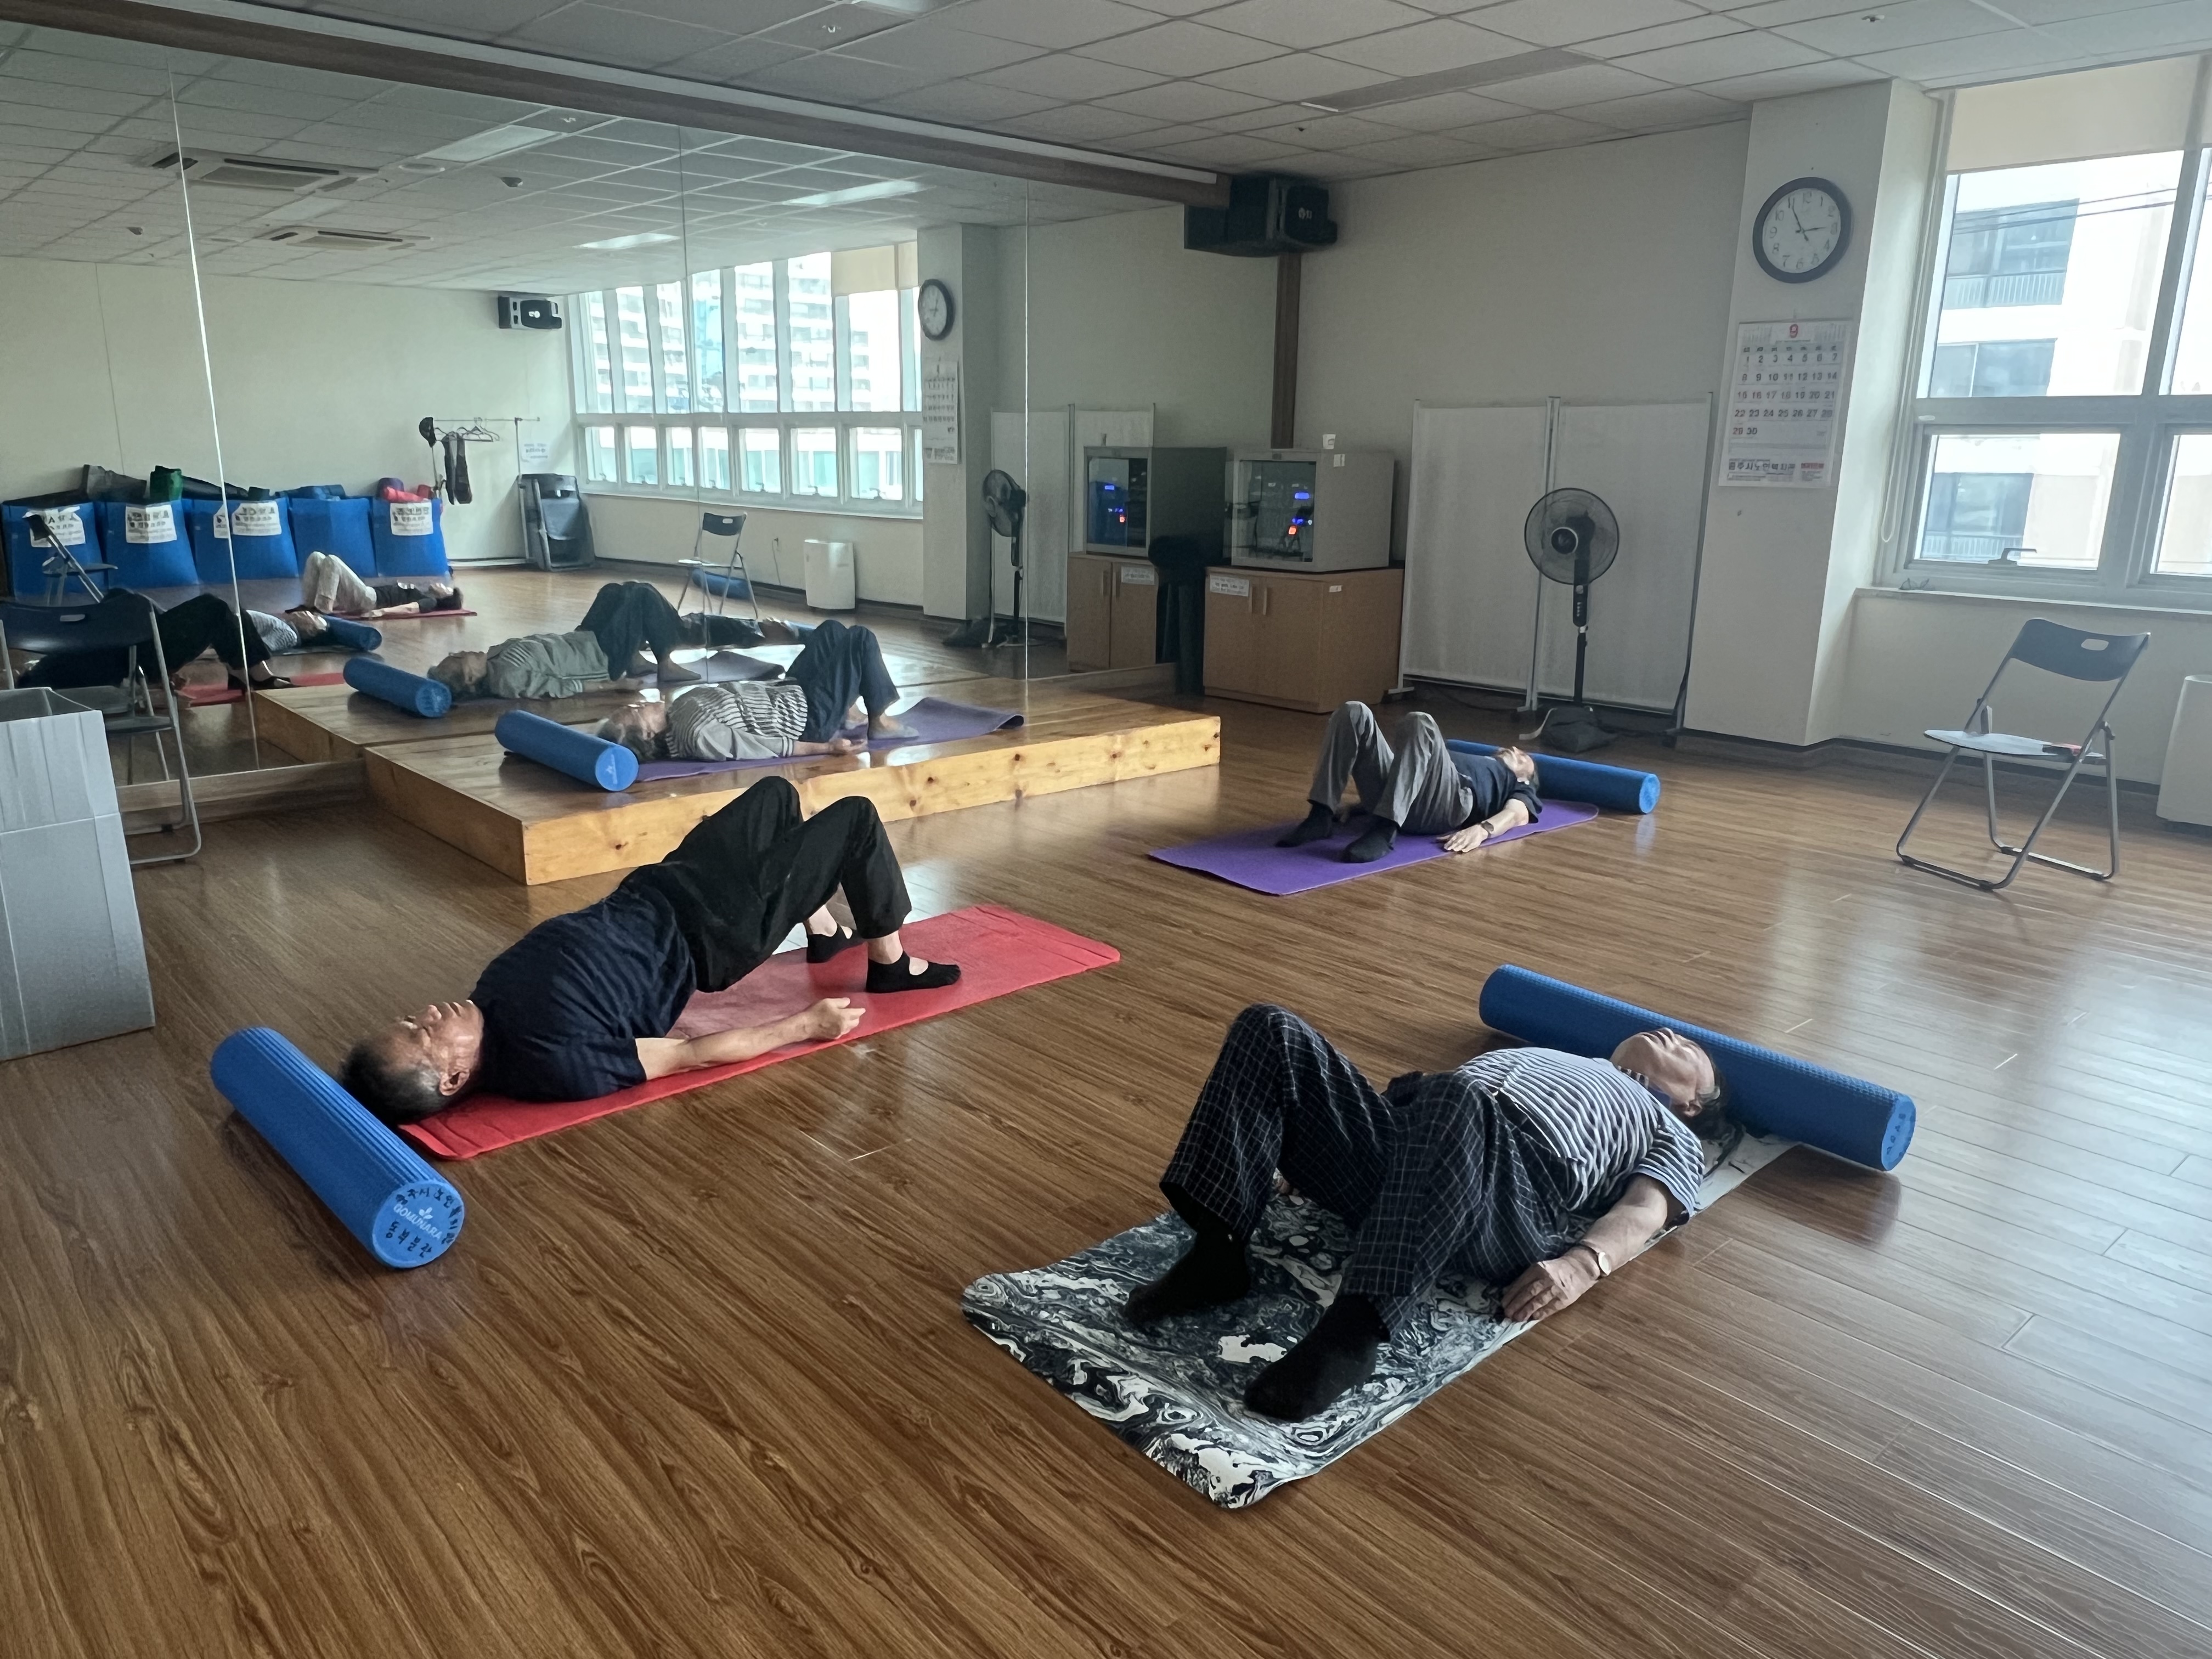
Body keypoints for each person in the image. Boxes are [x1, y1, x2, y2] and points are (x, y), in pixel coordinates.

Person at [1124, 1004, 1733, 1421]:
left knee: (1455, 1095)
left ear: (1692, 1104)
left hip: (1510, 1197)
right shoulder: (1560, 1057)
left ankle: (1353, 1332)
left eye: (1687, 1048)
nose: (1669, 1033)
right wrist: (1316, 1139)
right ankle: (1218, 1253)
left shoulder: (1671, 1129)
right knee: (1270, 1028)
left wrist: (1583, 1264)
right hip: (1414, 1137)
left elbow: (1646, 1209)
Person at [340, 776, 961, 1124]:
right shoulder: (552, 1063)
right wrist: (805, 1025)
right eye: (423, 1033)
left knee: (774, 796)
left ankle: (822, 929)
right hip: (718, 930)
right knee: (855, 818)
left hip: (667, 885)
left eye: (412, 1018)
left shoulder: (488, 999)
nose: (429, 1013)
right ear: (453, 1078)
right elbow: (686, 1055)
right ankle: (891, 965)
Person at [597, 618, 915, 763]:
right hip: (808, 719)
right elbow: (758, 747)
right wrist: (825, 748)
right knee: (860, 638)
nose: (640, 704)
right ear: (649, 735)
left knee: (830, 631)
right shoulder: (694, 734)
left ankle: (845, 711)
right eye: (636, 712)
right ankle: (879, 721)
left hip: (791, 692)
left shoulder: (678, 711)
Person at [426, 581, 799, 701]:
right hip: (602, 658)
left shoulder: (494, 658)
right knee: (642, 596)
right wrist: (615, 686)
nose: (461, 651)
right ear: (472, 678)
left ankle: (642, 651)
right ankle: (666, 661)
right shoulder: (506, 677)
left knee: (614, 591)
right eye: (459, 659)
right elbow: (563, 688)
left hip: (584, 640)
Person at [1279, 702, 1543, 864]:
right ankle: (1320, 815)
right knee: (1353, 711)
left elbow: (1517, 815)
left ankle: (1385, 830)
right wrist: (1358, 807)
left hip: (1445, 805)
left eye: (1524, 757)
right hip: (1402, 796)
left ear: (1525, 777)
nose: (1516, 750)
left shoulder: (1519, 784)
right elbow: (1410, 772)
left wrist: (1483, 831)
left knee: (1420, 722)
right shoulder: (1477, 758)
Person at [20, 589, 292, 698]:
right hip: (140, 655)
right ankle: (252, 674)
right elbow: (112, 680)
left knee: (225, 611)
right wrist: (153, 683)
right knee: (215, 608)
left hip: (136, 651)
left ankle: (244, 673)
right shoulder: (48, 672)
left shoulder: (49, 668)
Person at [298, 550, 463, 620]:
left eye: (446, 589)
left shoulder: (431, 601)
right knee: (316, 557)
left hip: (369, 599)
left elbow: (410, 609)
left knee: (333, 561)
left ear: (446, 597)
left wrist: (380, 612)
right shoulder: (423, 591)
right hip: (366, 595)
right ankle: (309, 606)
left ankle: (324, 610)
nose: (442, 585)